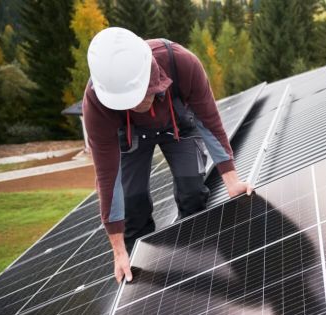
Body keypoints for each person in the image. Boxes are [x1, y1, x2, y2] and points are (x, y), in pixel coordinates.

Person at [84, 27, 252, 284]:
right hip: (130, 135)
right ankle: (143, 274)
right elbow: (107, 175)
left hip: (179, 126)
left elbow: (210, 122)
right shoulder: (97, 102)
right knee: (132, 203)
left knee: (192, 192)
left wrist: (231, 180)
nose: (136, 104)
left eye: (141, 94)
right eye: (127, 101)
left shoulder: (182, 63)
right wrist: (118, 250)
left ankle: (198, 259)